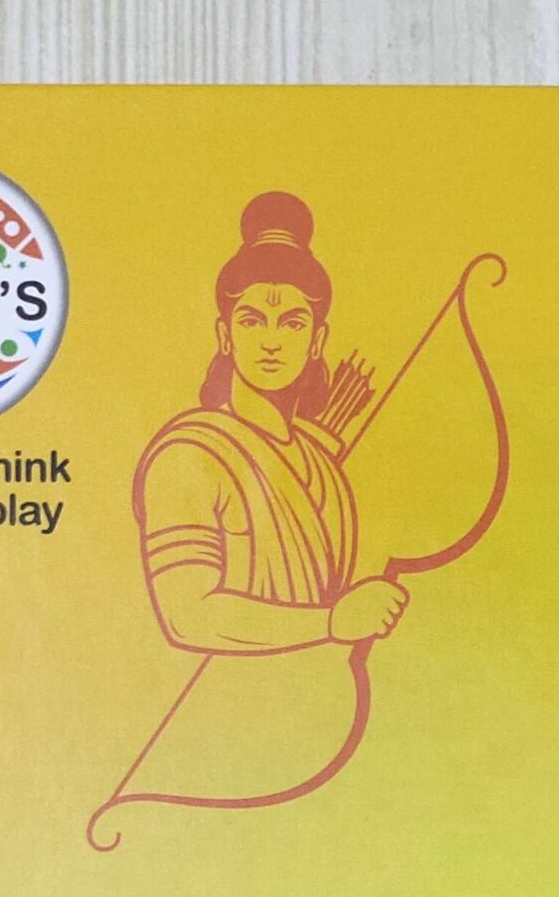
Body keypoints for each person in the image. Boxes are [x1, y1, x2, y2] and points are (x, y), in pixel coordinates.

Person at [133, 192, 406, 658]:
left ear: (317, 340)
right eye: (253, 321)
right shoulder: (189, 455)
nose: (272, 342)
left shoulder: (323, 466)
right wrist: (332, 622)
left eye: (292, 323)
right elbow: (187, 615)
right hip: (225, 697)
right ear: (225, 334)